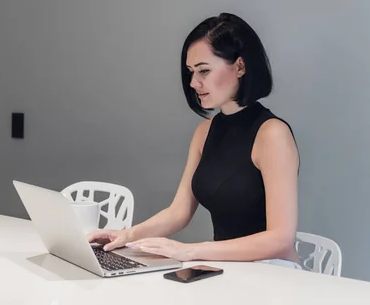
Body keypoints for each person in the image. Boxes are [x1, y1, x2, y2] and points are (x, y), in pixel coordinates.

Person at [88, 13, 301, 267]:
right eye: (191, 72)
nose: (193, 82)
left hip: (275, 274)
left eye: (204, 71)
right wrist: (126, 235)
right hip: (229, 268)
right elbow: (179, 212)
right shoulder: (204, 131)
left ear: (241, 67)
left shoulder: (272, 134)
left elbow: (281, 239)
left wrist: (189, 251)